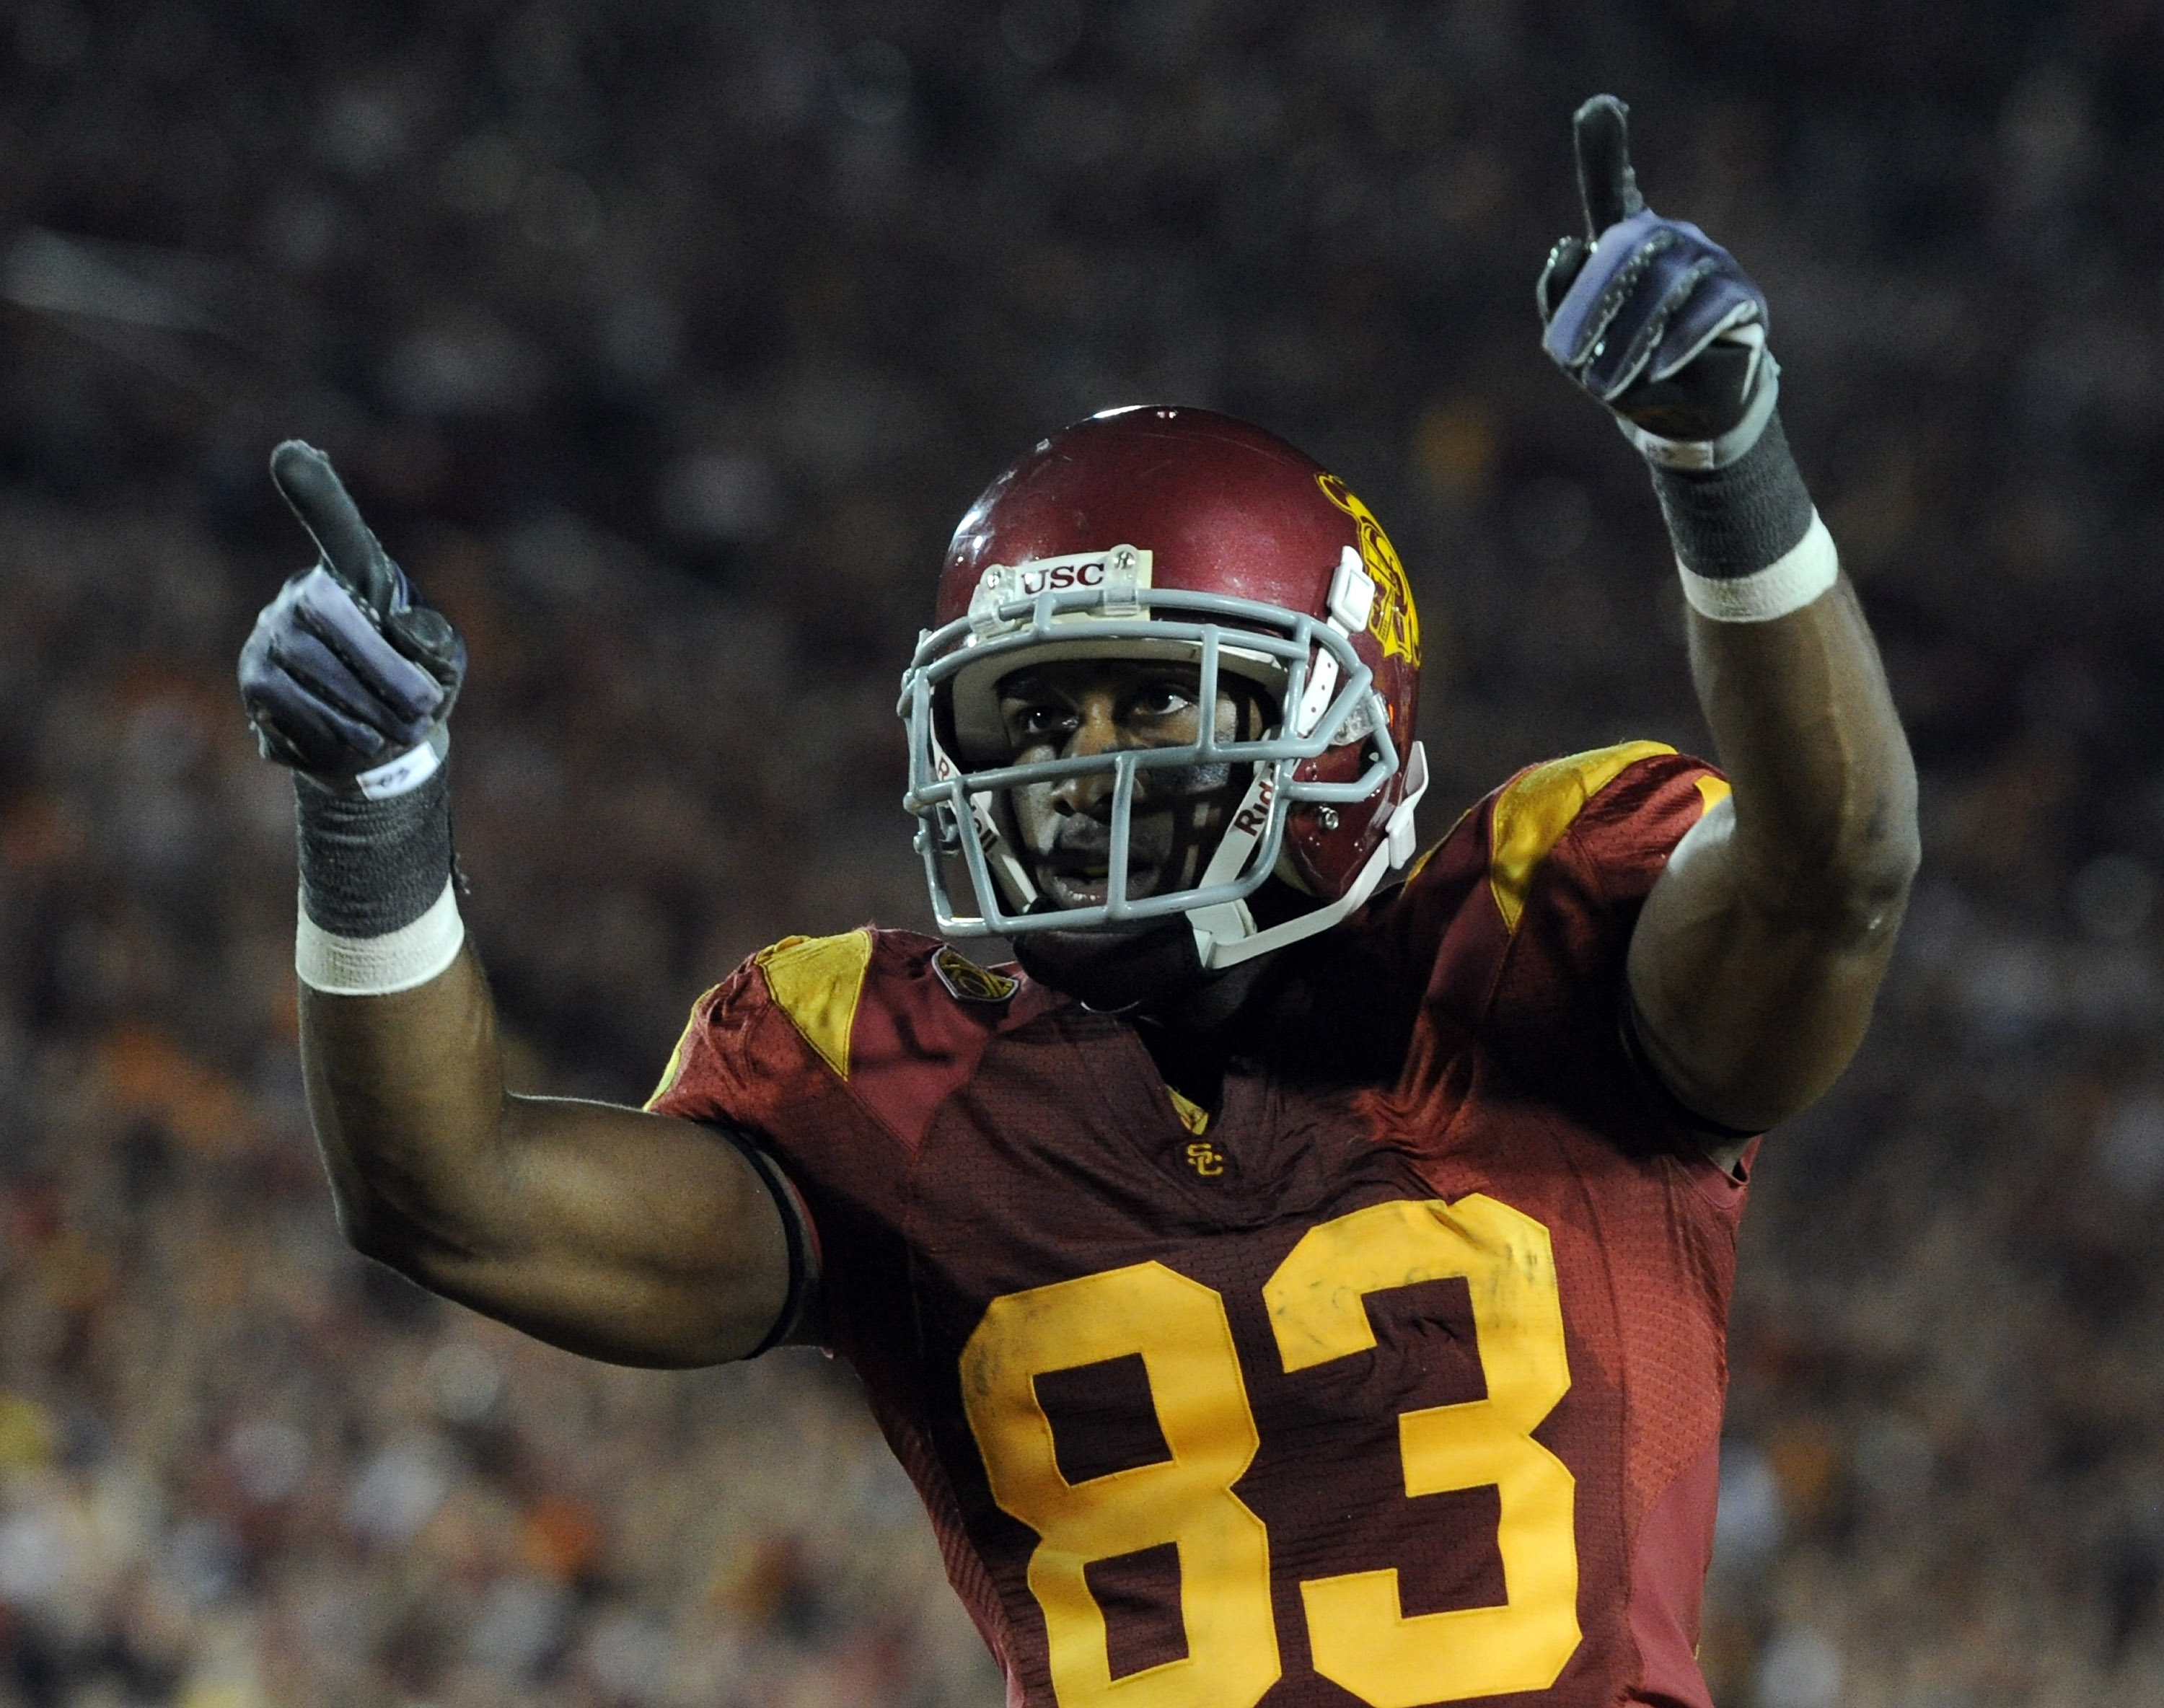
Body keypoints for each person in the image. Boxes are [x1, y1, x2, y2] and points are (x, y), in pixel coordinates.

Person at [236, 97, 1916, 1708]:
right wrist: (374, 811)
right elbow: (446, 1195)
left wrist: (1727, 465)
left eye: (1147, 702)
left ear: (1336, 714)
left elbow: (1834, 866)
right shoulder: (901, 1079)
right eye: (1036, 717)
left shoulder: (1537, 943)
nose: (1077, 768)